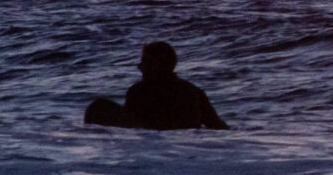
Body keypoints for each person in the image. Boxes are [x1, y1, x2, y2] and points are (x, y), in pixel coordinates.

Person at [85, 41, 229, 130]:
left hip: (156, 144)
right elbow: (216, 125)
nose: (139, 67)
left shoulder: (139, 90)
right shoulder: (194, 91)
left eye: (144, 62)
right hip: (187, 145)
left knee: (97, 107)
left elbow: (133, 126)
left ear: (156, 65)